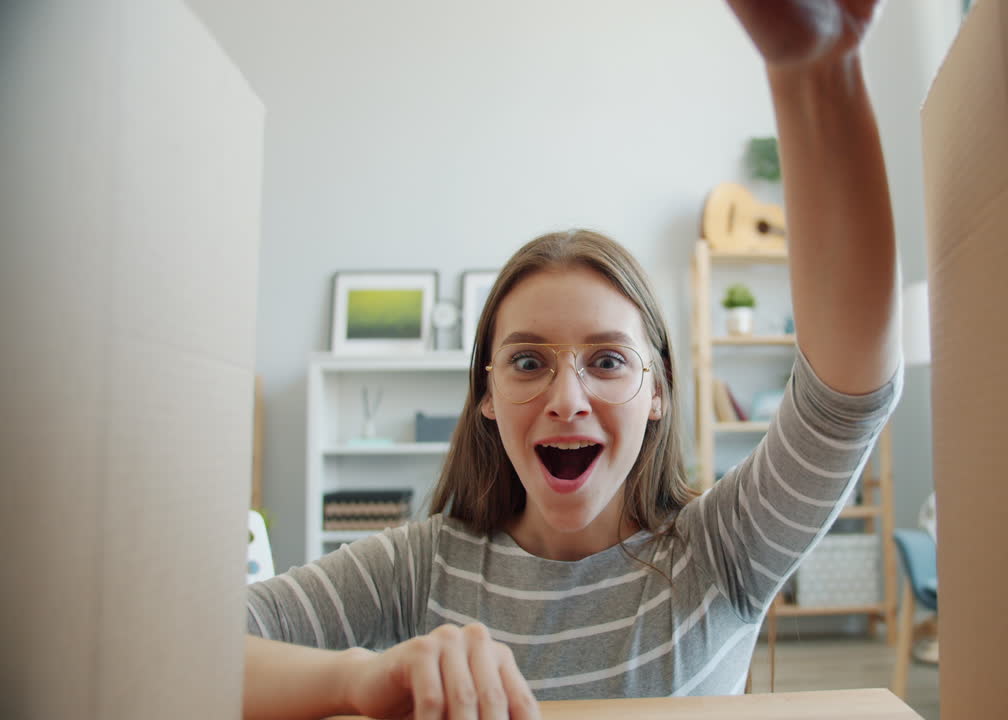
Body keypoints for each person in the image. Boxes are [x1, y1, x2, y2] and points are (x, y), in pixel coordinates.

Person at [243, 1, 901, 718]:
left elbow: (844, 403)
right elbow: (192, 646)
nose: (567, 397)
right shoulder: (414, 569)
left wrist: (817, 68)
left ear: (658, 392)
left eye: (609, 362)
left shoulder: (721, 551)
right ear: (486, 394)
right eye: (528, 362)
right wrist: (356, 678)